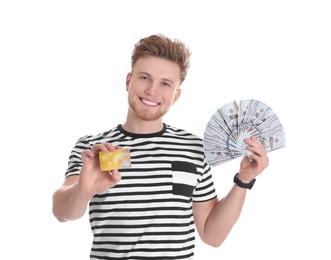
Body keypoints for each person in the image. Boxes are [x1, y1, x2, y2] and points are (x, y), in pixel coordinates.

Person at [52, 34, 269, 259]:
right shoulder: (94, 149)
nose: (152, 91)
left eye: (165, 83)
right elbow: (61, 212)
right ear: (129, 81)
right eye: (145, 78)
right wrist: (83, 192)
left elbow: (212, 236)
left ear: (176, 95)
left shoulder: (193, 149)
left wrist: (243, 181)